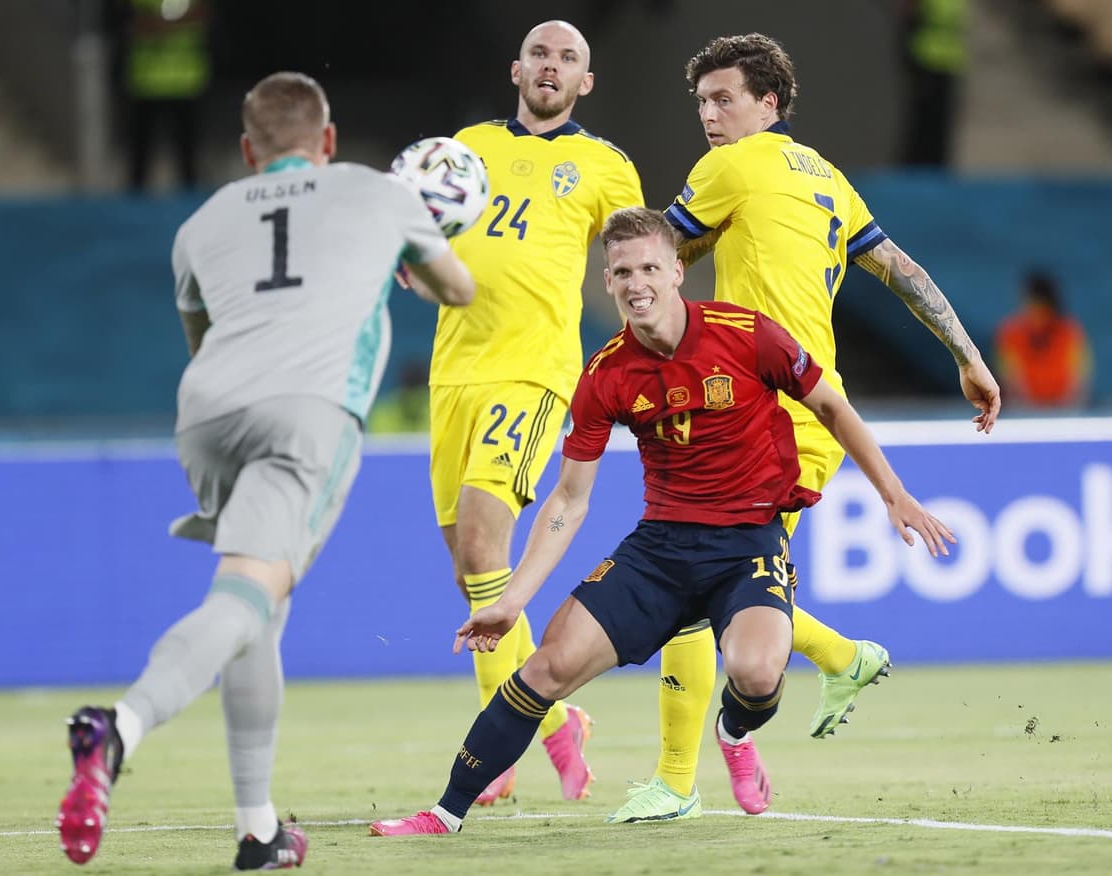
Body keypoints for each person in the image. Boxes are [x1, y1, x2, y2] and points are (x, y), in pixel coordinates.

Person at [369, 206, 956, 837]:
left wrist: (894, 494)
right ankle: (444, 813)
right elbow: (568, 499)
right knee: (545, 669)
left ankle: (732, 731)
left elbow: (833, 408)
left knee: (757, 674)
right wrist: (513, 600)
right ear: (608, 283)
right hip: (660, 550)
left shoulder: (749, 333)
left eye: (650, 266)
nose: (636, 281)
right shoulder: (606, 375)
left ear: (679, 271)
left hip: (747, 544)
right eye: (622, 271)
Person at [55, 71, 474, 869]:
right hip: (306, 412)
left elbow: (201, 331)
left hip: (206, 414)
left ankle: (259, 831)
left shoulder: (201, 221)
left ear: (248, 152)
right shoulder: (371, 192)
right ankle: (119, 727)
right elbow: (458, 289)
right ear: (329, 142)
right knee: (244, 598)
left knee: (259, 614)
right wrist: (407, 249)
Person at [606, 32, 1002, 823]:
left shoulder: (728, 169)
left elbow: (652, 258)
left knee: (692, 581)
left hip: (759, 411)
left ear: (768, 104)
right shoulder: (825, 175)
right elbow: (904, 272)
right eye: (701, 103)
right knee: (721, 580)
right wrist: (968, 354)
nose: (709, 116)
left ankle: (678, 780)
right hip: (805, 408)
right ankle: (841, 658)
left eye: (724, 100)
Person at [421, 19, 644, 806]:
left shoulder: (604, 165)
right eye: (541, 54)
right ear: (517, 67)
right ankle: (555, 726)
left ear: (586, 83)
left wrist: (646, 351)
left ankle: (495, 743)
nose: (552, 67)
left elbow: (637, 262)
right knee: (471, 572)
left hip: (534, 373)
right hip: (454, 374)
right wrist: (415, 261)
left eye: (569, 60)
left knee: (487, 545)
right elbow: (428, 237)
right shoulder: (466, 145)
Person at [117, 0, 212, 191]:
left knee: (188, 156)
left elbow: (204, 15)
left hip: (187, 81)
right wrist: (177, 24)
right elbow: (129, 23)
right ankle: (134, 205)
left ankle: (190, 202)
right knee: (140, 157)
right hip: (146, 82)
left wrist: (160, 26)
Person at [995, 270, 1091, 408]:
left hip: (1064, 412)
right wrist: (1028, 410)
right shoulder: (1010, 334)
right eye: (1032, 306)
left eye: (1041, 307)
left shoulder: (1070, 332)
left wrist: (1066, 410)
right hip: (1023, 413)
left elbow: (1079, 379)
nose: (1036, 314)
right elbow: (1010, 381)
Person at [895, 0, 968, 167]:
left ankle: (935, 167)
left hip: (950, 59)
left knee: (941, 124)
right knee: (924, 122)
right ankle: (915, 167)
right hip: (926, 57)